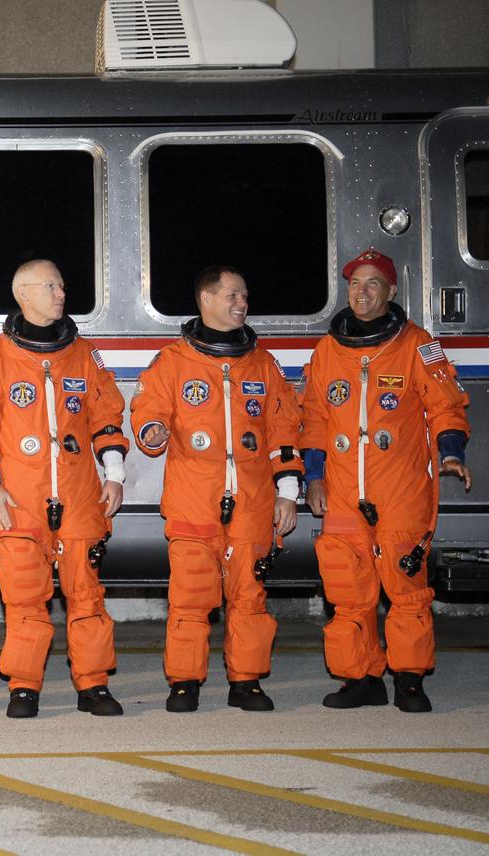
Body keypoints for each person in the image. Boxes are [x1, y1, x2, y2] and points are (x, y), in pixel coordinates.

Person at [301, 248, 471, 713]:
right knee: (347, 591)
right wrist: (313, 478)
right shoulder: (327, 351)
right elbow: (313, 418)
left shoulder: (418, 344)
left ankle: (409, 680)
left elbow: (445, 405)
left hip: (400, 489)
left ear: (391, 291)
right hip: (341, 492)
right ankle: (361, 679)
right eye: (355, 283)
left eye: (372, 282)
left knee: (406, 588)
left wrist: (451, 452)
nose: (362, 291)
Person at [130, 266, 302, 713]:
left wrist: (288, 491)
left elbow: (284, 429)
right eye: (232, 295)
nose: (242, 303)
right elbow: (148, 410)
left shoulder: (263, 364)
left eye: (245, 295)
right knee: (190, 597)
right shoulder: (173, 361)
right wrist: (152, 431)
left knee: (248, 597)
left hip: (252, 502)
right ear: (206, 300)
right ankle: (184, 682)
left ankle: (246, 682)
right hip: (192, 500)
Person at [0, 259, 127, 718]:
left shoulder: (84, 354)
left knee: (86, 595)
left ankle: (93, 685)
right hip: (20, 497)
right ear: (23, 295)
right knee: (23, 597)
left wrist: (114, 472)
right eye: (51, 286)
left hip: (78, 494)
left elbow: (106, 415)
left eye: (61, 285)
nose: (61, 294)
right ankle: (24, 686)